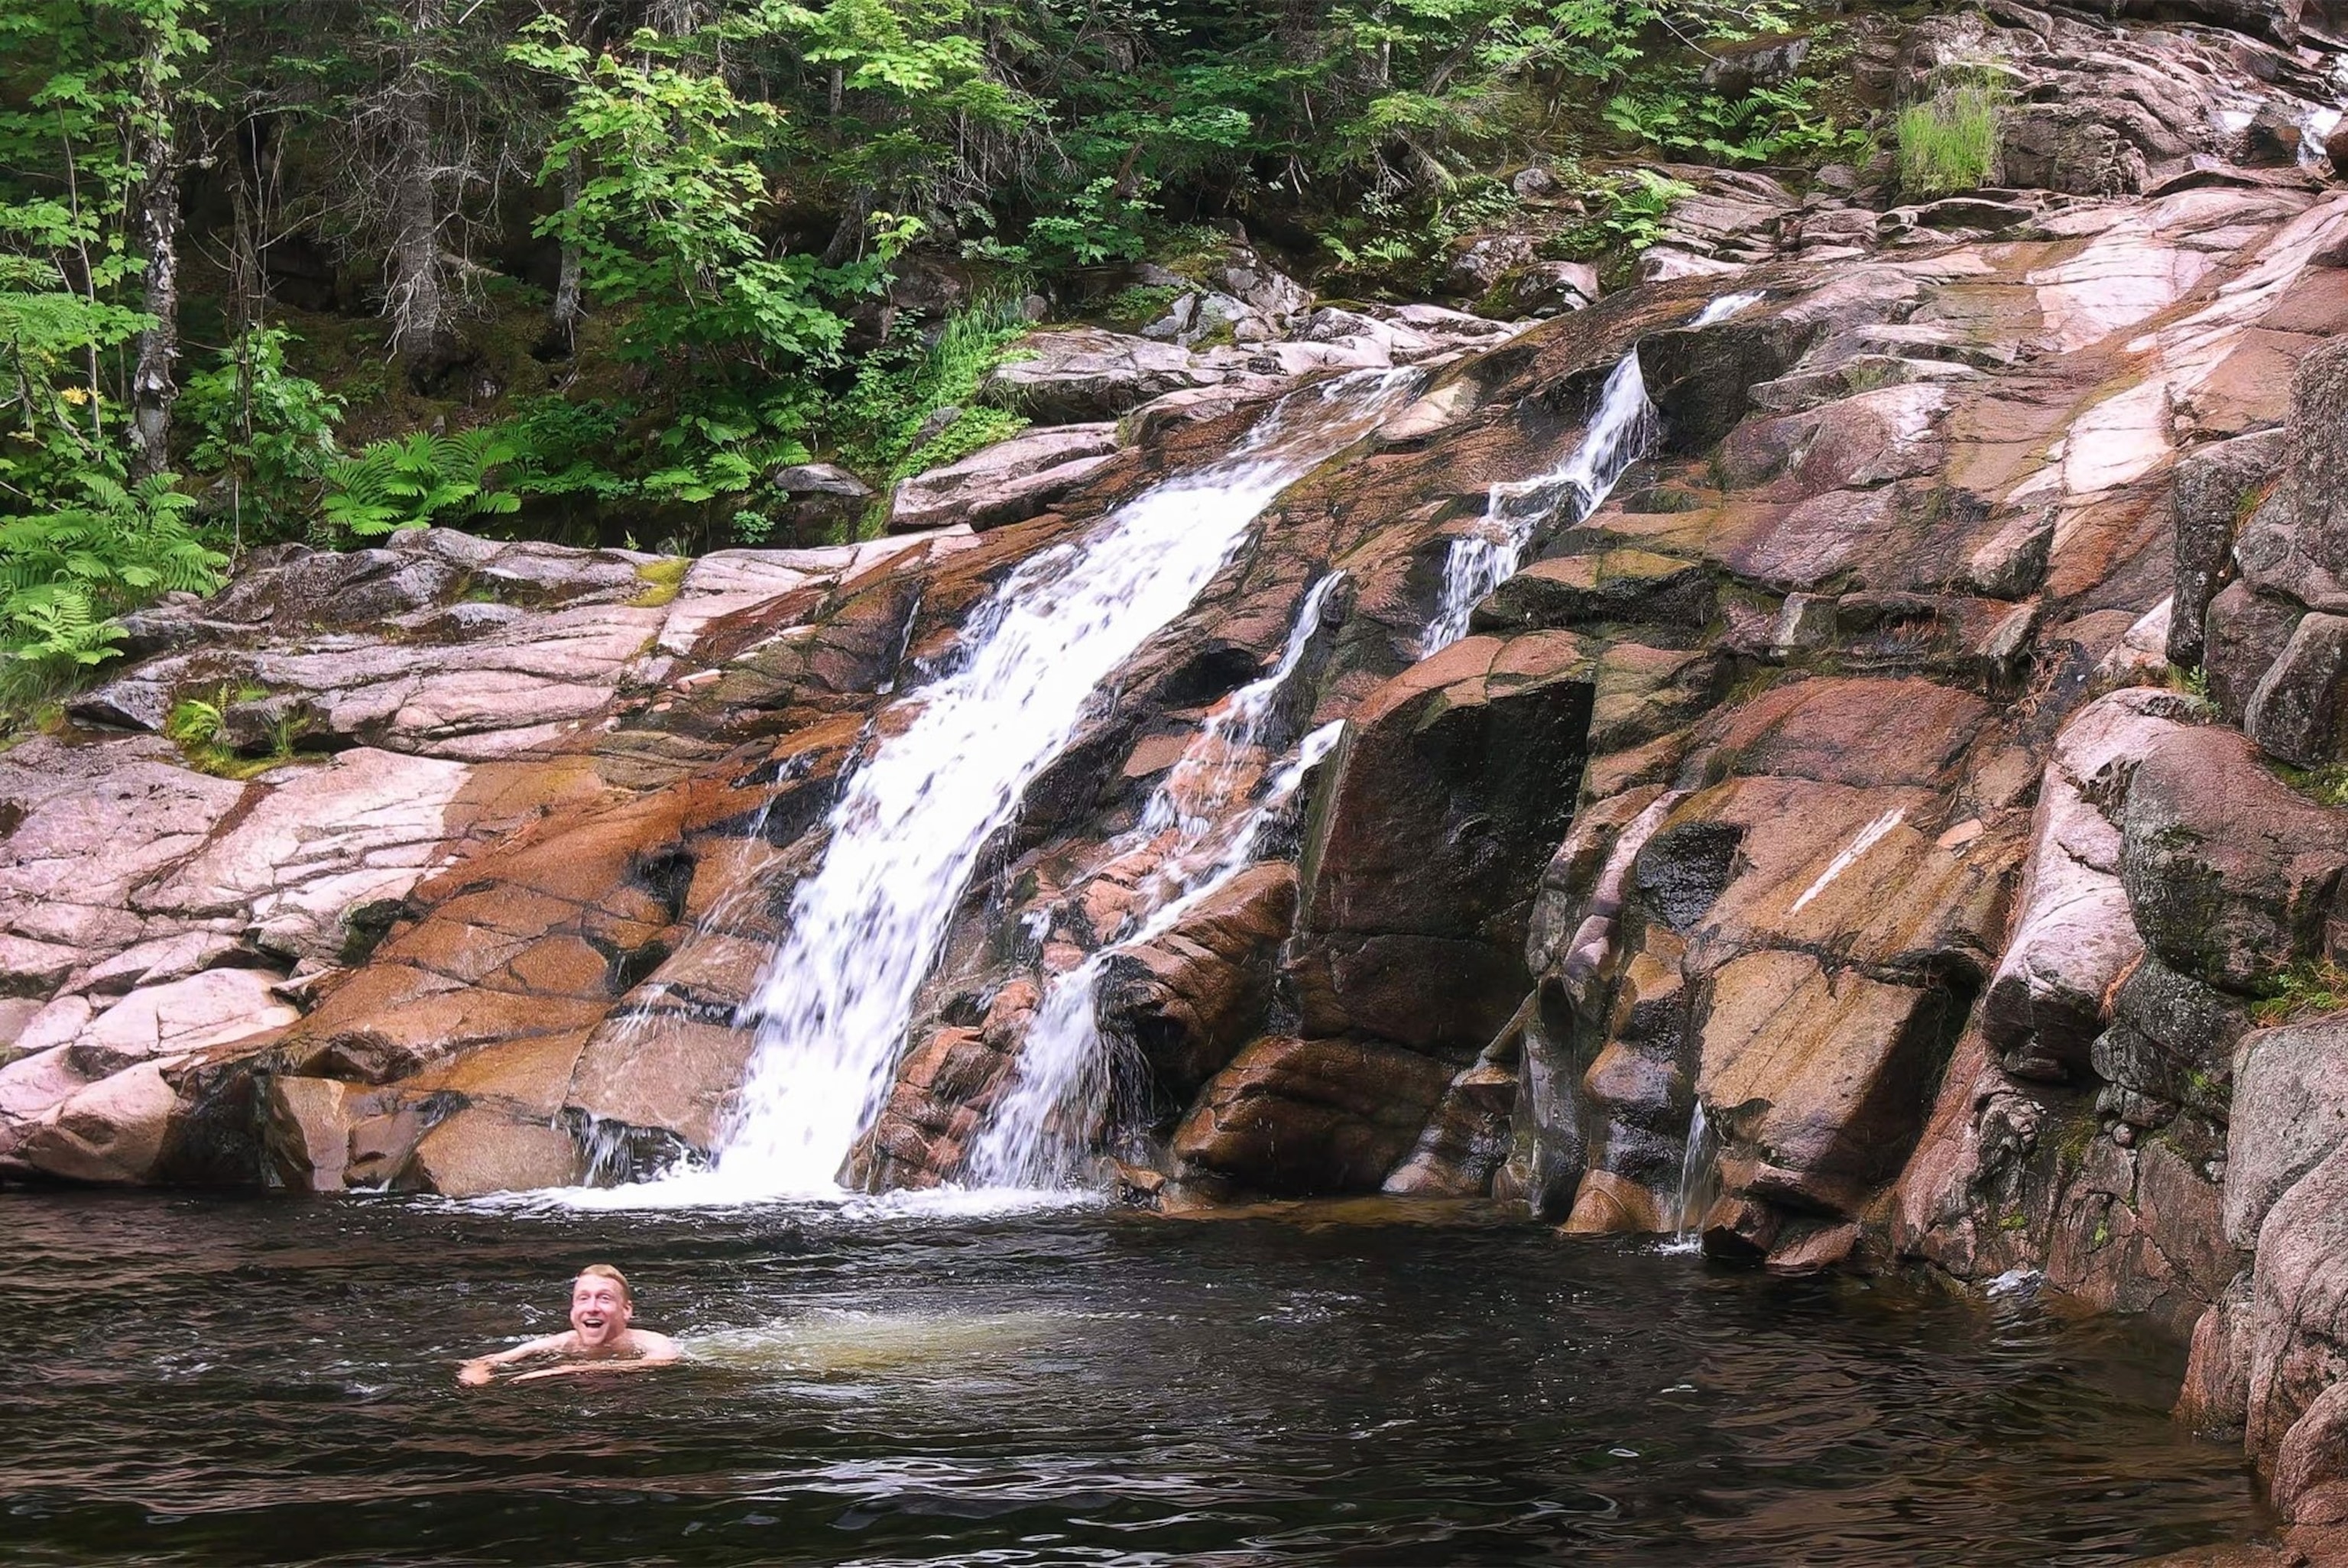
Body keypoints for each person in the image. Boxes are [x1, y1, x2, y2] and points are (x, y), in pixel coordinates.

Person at [457, 1264, 681, 1385]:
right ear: (573, 1310)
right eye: (583, 1298)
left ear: (626, 1310)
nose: (592, 1307)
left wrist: (568, 1370)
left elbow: (663, 1362)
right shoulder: (561, 1343)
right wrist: (475, 1375)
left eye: (604, 1298)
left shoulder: (651, 1341)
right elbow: (486, 1361)